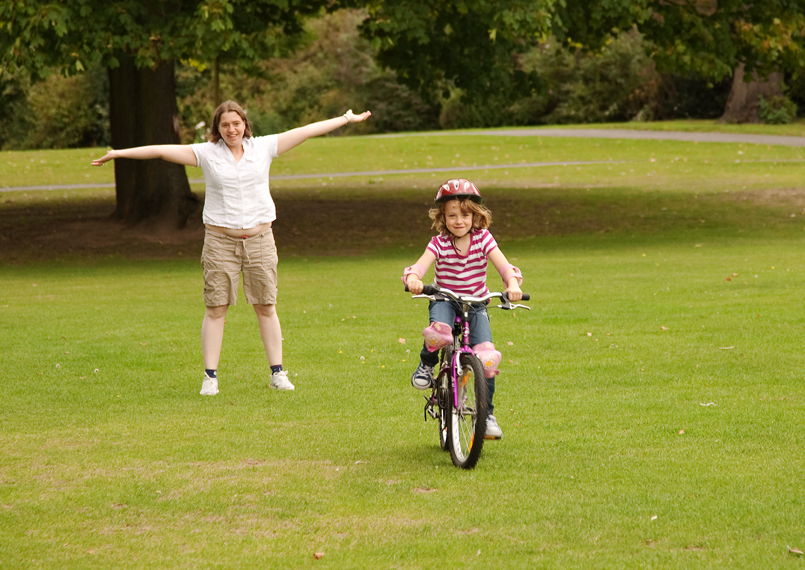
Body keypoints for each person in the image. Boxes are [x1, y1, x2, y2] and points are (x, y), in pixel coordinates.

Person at [92, 101, 371, 395]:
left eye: (236, 123)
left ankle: (278, 373)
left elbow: (305, 131)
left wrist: (345, 119)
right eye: (225, 125)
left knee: (266, 306)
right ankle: (210, 377)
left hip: (260, 240)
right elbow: (161, 150)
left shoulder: (263, 147)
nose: (231, 129)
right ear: (218, 128)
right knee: (216, 308)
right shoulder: (206, 153)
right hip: (220, 242)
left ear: (244, 124)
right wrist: (118, 153)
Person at [402, 179, 524, 440]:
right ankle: (426, 365)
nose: (459, 221)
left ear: (475, 216)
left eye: (465, 215)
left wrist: (512, 284)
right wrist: (413, 279)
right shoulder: (438, 243)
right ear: (442, 217)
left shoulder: (484, 239)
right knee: (440, 333)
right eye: (452, 215)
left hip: (477, 303)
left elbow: (504, 267)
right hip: (444, 299)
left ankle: (486, 415)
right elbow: (420, 266)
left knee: (487, 358)